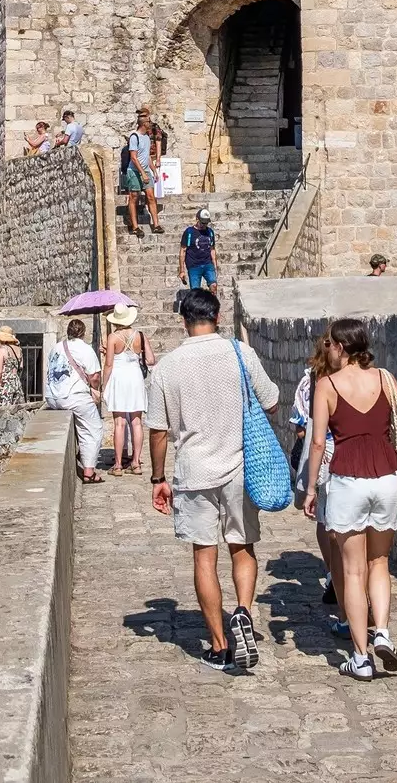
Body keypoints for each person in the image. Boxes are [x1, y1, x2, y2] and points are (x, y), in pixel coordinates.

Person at [146, 287, 281, 673]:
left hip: (193, 472)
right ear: (217, 317)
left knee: (204, 556)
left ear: (183, 320)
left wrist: (158, 477)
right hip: (239, 468)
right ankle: (242, 612)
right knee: (243, 547)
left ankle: (220, 646)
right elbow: (271, 400)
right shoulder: (240, 353)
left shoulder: (167, 367)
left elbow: (157, 429)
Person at [306, 318, 397, 680]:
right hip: (386, 479)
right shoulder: (385, 379)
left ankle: (360, 656)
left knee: (353, 571)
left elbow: (316, 442)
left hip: (348, 481)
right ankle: (383, 632)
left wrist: (311, 488)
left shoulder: (326, 385)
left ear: (340, 347)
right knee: (380, 562)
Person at [290, 333, 344, 609]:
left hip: (323, 457)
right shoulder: (359, 377)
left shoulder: (309, 381)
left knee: (325, 518)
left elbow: (301, 428)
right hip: (353, 454)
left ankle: (334, 572)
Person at [45, 319, 105, 482]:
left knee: (83, 425)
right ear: (83, 333)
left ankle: (82, 455)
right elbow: (95, 376)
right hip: (72, 396)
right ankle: (89, 472)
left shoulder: (56, 347)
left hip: (52, 397)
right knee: (94, 429)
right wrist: (95, 388)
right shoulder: (85, 349)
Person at [99, 305, 155, 475]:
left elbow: (109, 364)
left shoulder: (112, 337)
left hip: (120, 378)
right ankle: (136, 462)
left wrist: (104, 384)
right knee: (137, 422)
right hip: (135, 378)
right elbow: (151, 359)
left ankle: (117, 465)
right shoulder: (140, 335)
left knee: (119, 422)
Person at [121, 109, 160, 234]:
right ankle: (135, 226)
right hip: (134, 171)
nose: (150, 124)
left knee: (151, 196)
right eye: (149, 122)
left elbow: (146, 156)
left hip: (145, 170)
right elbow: (134, 157)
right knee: (134, 197)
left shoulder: (147, 138)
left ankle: (156, 224)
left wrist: (154, 170)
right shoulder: (134, 137)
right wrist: (142, 173)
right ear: (144, 124)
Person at [181, 206, 219, 292]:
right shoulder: (189, 232)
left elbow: (212, 249)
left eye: (206, 223)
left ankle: (210, 304)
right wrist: (182, 270)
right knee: (195, 293)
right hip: (194, 265)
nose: (204, 225)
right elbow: (183, 251)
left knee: (214, 286)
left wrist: (215, 265)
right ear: (197, 219)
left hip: (208, 264)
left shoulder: (210, 232)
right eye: (202, 222)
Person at [0, 327, 27, 408]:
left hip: (5, 383)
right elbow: (20, 367)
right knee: (17, 412)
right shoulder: (19, 350)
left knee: (4, 411)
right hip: (16, 383)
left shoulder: (2, 350)